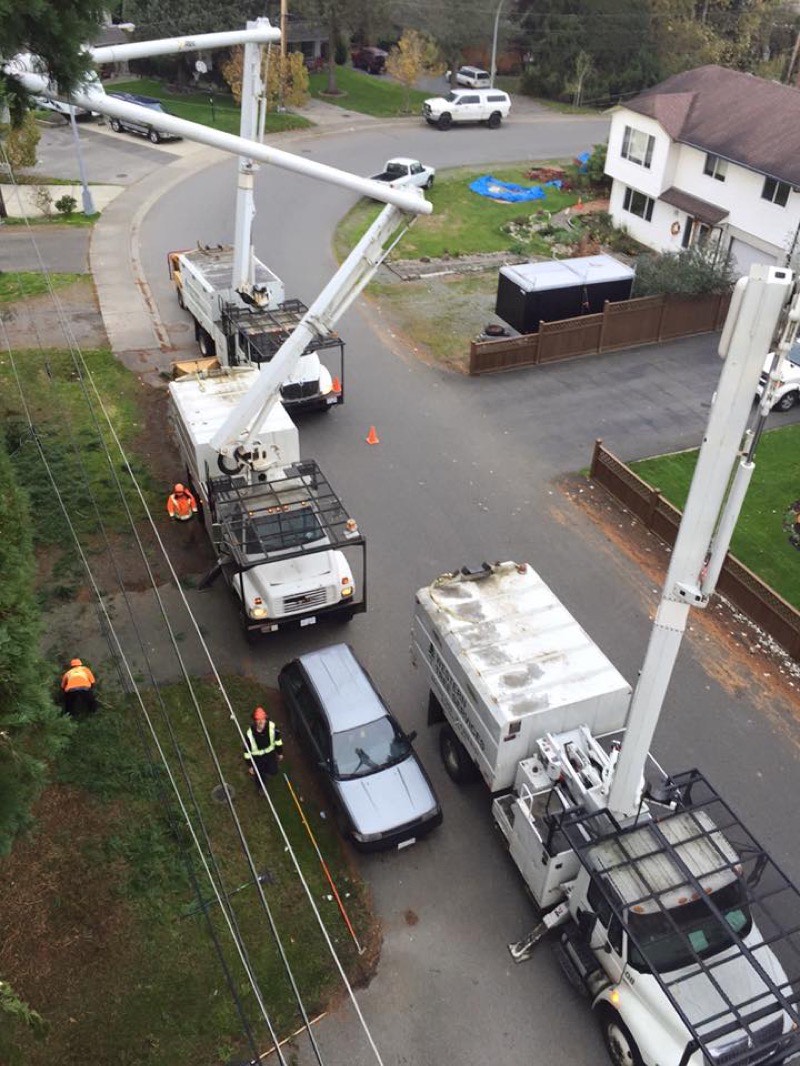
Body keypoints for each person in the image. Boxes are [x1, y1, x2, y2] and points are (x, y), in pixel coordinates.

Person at [243, 706, 283, 788]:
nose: (261, 722)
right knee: (259, 775)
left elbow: (278, 741)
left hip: (270, 754)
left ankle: (267, 772)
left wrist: (279, 753)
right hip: (257, 757)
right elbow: (247, 752)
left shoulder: (272, 727)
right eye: (258, 720)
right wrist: (250, 765)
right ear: (255, 721)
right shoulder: (249, 734)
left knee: (273, 771)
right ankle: (261, 787)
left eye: (263, 719)